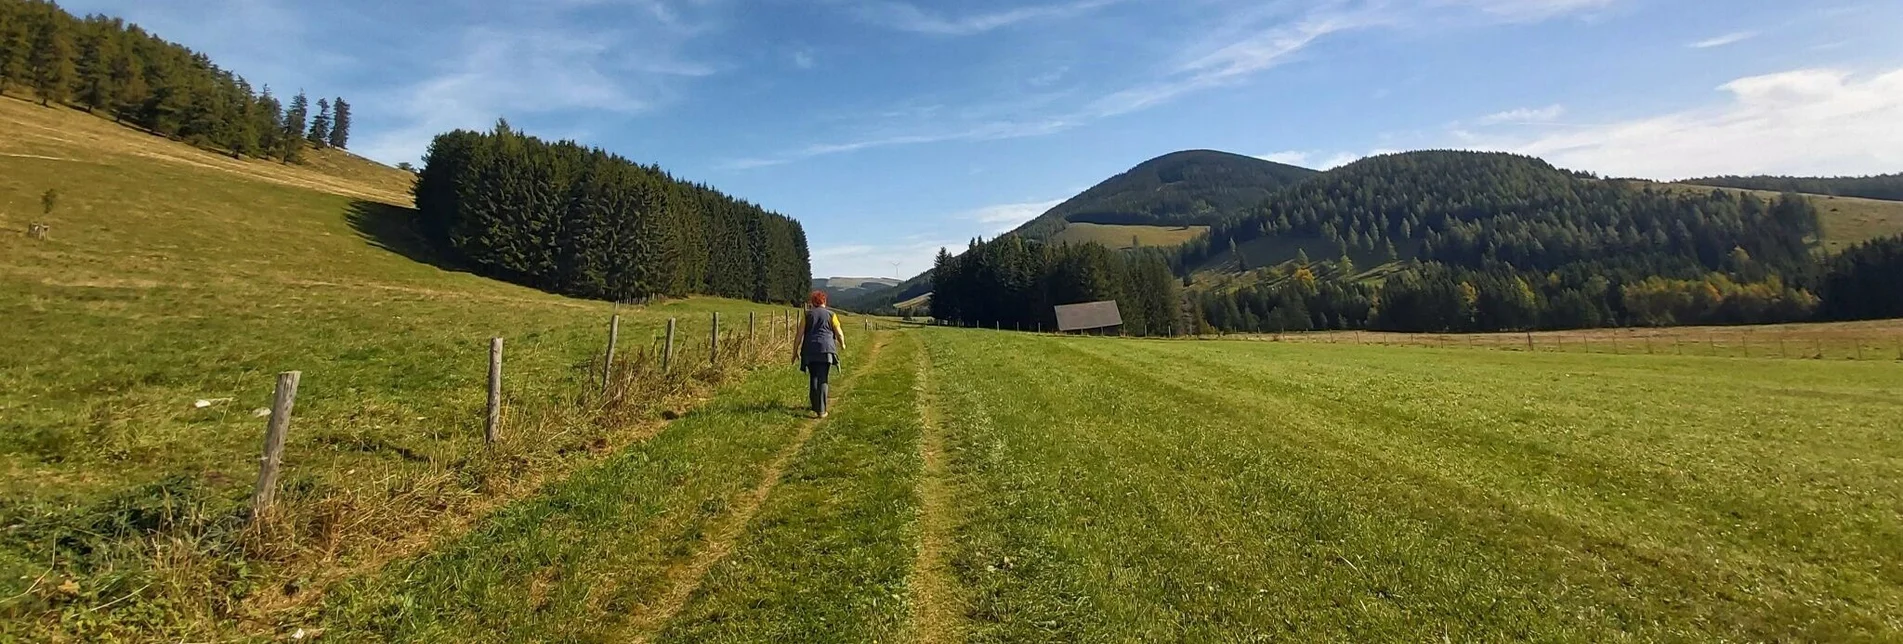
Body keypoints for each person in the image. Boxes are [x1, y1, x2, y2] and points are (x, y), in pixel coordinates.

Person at [796, 290, 846, 418]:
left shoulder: (807, 315)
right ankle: (822, 411)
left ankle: (815, 406)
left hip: (809, 350)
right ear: (824, 301)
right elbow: (839, 332)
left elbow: (799, 334)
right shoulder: (831, 315)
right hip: (826, 350)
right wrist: (842, 344)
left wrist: (794, 351)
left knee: (814, 377)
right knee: (823, 378)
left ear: (813, 302)